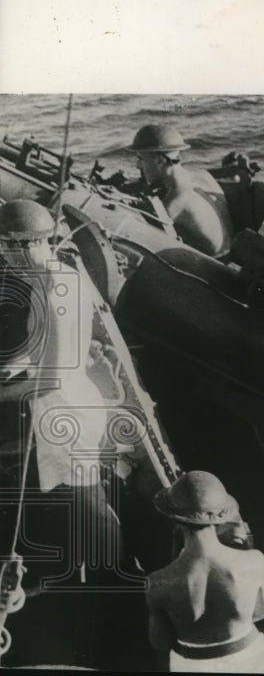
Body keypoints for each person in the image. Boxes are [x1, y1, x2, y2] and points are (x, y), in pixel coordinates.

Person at [0, 200, 124, 585]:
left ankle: (114, 574)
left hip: (64, 413)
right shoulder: (57, 275)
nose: (3, 255)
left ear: (27, 245)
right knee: (76, 498)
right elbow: (41, 351)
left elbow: (50, 378)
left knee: (89, 503)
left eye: (6, 246)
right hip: (63, 401)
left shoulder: (54, 295)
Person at [145, 471, 264, 673]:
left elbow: (160, 642)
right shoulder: (254, 561)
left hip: (192, 664)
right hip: (249, 659)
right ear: (222, 516)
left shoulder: (158, 582)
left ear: (175, 519)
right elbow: (263, 612)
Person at [131, 124, 234, 258]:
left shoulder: (177, 198)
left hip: (216, 268)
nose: (137, 165)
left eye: (141, 158)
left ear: (160, 161)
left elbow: (140, 232)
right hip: (229, 251)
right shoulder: (202, 175)